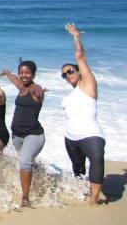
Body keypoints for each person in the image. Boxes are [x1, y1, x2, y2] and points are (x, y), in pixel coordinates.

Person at [62, 23, 105, 205]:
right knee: (78, 168)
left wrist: (76, 37)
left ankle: (94, 200)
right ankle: (81, 192)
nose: (68, 75)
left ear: (79, 72)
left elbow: (80, 57)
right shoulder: (69, 96)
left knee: (97, 161)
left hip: (91, 135)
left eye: (70, 71)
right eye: (64, 74)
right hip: (70, 137)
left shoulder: (88, 86)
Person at [1, 60, 46, 207]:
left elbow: (38, 92)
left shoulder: (35, 89)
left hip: (34, 135)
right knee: (27, 162)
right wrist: (8, 74)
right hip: (17, 136)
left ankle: (25, 197)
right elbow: (16, 80)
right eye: (21, 72)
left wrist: (39, 91)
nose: (23, 75)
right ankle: (42, 178)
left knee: (24, 162)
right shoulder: (22, 88)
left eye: (27, 73)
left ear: (33, 74)